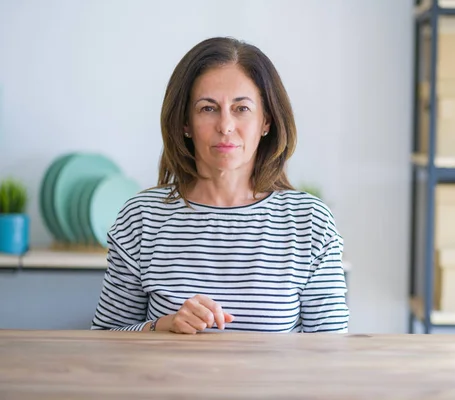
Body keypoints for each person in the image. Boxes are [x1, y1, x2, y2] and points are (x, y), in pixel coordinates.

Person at [91, 37, 349, 334]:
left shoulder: (311, 222)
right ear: (185, 123)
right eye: (208, 108)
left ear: (266, 121)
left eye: (241, 109)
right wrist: (162, 326)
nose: (225, 126)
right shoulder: (141, 218)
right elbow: (104, 340)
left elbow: (331, 354)